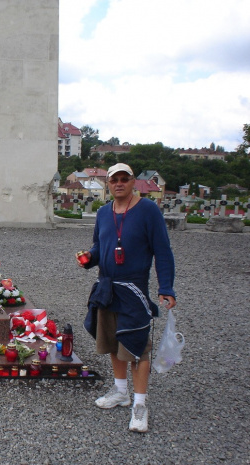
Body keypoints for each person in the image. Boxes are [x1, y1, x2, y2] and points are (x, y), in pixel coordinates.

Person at [75, 163, 176, 433]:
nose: (119, 183)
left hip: (134, 289)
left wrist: (166, 286)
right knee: (111, 340)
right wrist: (89, 259)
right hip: (107, 287)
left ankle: (140, 404)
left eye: (124, 179)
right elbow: (99, 245)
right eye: (114, 179)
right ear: (108, 184)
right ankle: (120, 391)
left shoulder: (148, 211)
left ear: (133, 182)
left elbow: (162, 250)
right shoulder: (104, 212)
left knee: (137, 346)